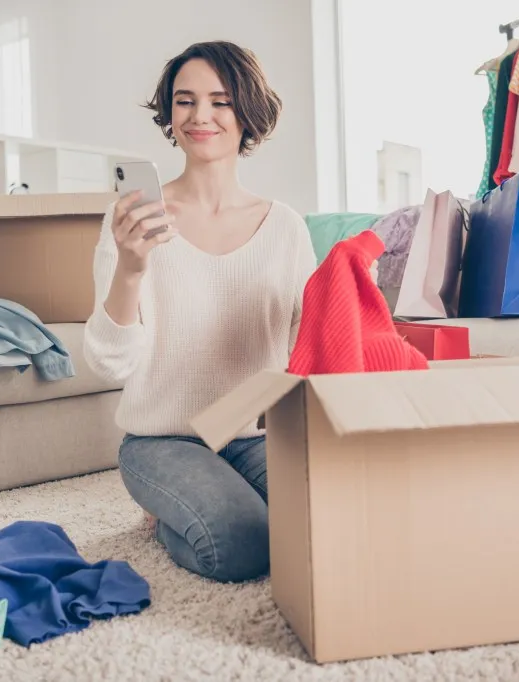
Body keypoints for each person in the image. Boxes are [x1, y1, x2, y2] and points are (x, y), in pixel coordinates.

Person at [83, 41, 317, 583]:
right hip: (162, 440)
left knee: (330, 519)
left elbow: (307, 346)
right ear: (169, 114)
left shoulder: (284, 227)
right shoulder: (132, 222)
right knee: (241, 546)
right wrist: (132, 268)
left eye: (220, 100)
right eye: (185, 101)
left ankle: (199, 504)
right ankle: (166, 516)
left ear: (248, 111)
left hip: (256, 435)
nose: (201, 116)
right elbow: (110, 366)